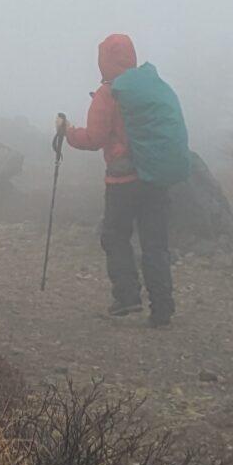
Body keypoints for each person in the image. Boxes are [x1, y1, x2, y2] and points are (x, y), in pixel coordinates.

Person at [57, 32, 190, 327]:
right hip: (154, 176)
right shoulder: (150, 88)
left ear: (104, 60)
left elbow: (94, 139)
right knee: (155, 242)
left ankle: (127, 297)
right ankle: (162, 308)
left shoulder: (110, 92)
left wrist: (68, 132)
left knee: (115, 235)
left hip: (123, 182)